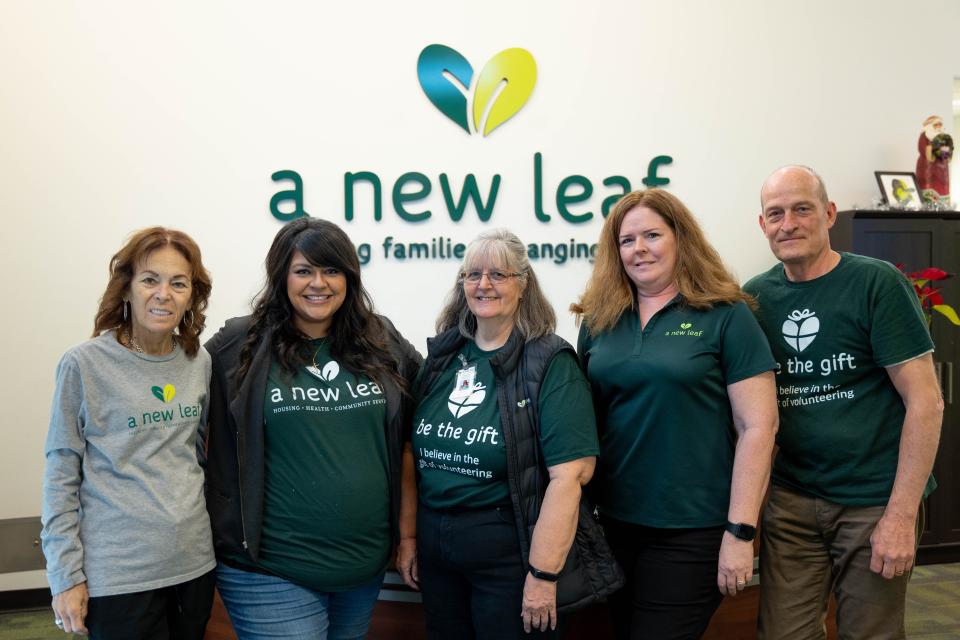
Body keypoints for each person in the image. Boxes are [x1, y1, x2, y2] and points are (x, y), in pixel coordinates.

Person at [745, 165, 943, 639]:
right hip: (793, 503)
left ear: (829, 214)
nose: (787, 223)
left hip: (873, 501)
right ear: (763, 225)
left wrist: (900, 515)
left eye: (802, 209)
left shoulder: (876, 284)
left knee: (869, 633)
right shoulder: (754, 298)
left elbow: (926, 403)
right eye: (775, 213)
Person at [572, 189, 778, 640]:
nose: (639, 248)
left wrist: (741, 533)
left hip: (693, 526)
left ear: (680, 238)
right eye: (627, 240)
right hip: (617, 524)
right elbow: (587, 421)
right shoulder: (600, 320)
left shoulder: (726, 315)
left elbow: (758, 426)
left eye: (652, 234)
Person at [204, 217, 421, 640]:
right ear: (281, 275)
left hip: (362, 569)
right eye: (303, 270)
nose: (317, 283)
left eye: (331, 270)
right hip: (268, 568)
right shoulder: (239, 343)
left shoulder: (381, 338)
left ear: (349, 278)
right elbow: (171, 389)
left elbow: (435, 398)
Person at [396, 229, 599, 639]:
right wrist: (409, 536)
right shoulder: (444, 357)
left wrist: (543, 574)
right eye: (472, 275)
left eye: (499, 275)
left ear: (523, 285)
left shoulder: (549, 362)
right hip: (437, 554)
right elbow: (409, 452)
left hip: (510, 556)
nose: (483, 284)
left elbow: (570, 477)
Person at [41, 227, 216, 638]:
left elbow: (200, 456)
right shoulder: (84, 364)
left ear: (192, 294)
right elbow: (60, 473)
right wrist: (64, 574)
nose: (163, 294)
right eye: (150, 280)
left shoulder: (198, 361)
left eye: (178, 283)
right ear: (126, 289)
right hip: (119, 576)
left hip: (193, 566)